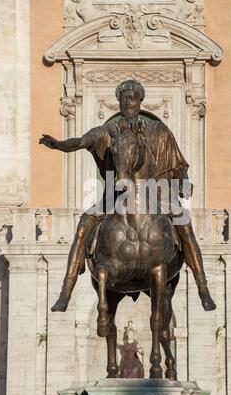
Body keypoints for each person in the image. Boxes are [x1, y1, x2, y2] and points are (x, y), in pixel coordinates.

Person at [39, 79, 216, 312]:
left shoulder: (158, 131)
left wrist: (183, 181)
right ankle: (65, 292)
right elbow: (82, 141)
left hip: (156, 193)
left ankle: (202, 287)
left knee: (184, 225)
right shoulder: (108, 132)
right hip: (115, 194)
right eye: (123, 99)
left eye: (132, 98)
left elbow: (178, 163)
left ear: (140, 101)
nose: (127, 103)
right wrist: (60, 144)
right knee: (83, 227)